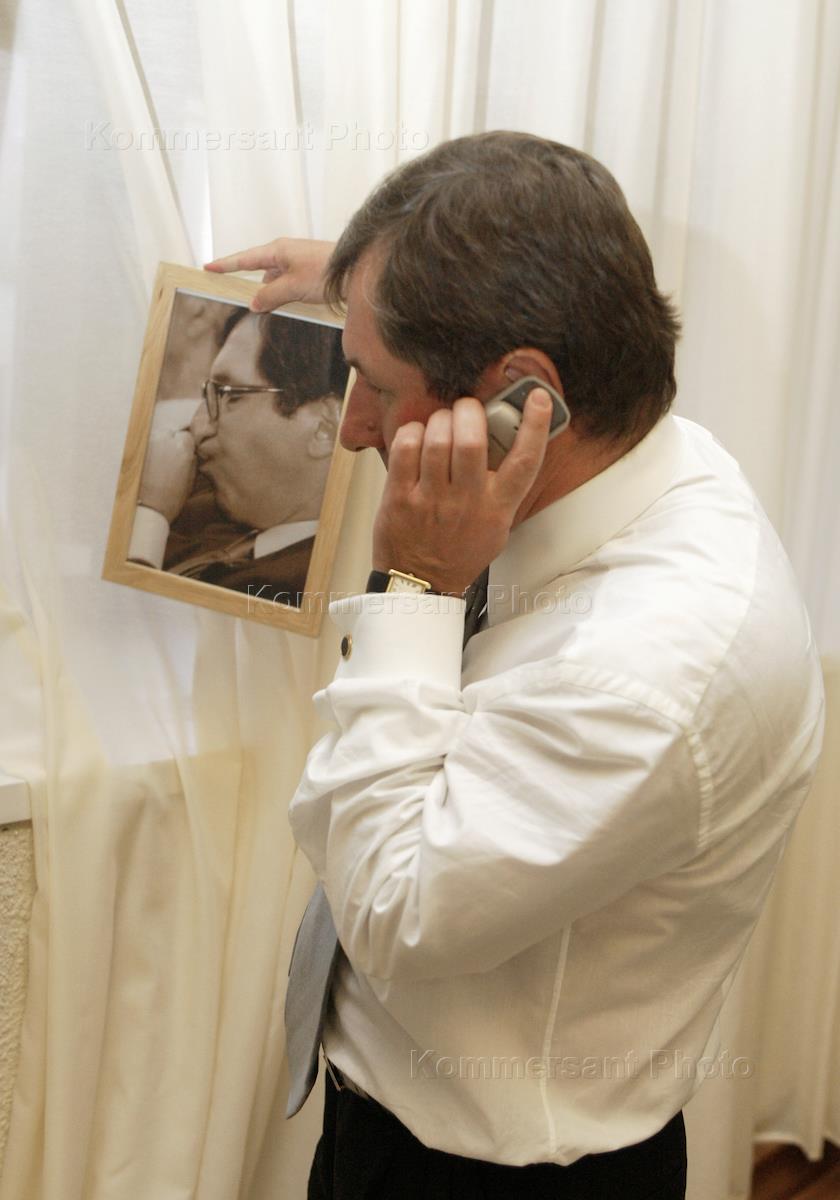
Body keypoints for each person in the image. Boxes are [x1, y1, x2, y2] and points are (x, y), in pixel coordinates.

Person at [207, 132, 824, 1199]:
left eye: (371, 382)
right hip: (394, 1118)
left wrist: (414, 590)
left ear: (523, 398)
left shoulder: (647, 671)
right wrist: (379, 296)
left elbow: (397, 911)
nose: (353, 427)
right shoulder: (626, 453)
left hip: (491, 1175)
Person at [129, 306, 347, 605]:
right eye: (210, 394)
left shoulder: (301, 592)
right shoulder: (197, 507)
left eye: (231, 395)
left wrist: (150, 513)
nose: (198, 426)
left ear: (325, 427)